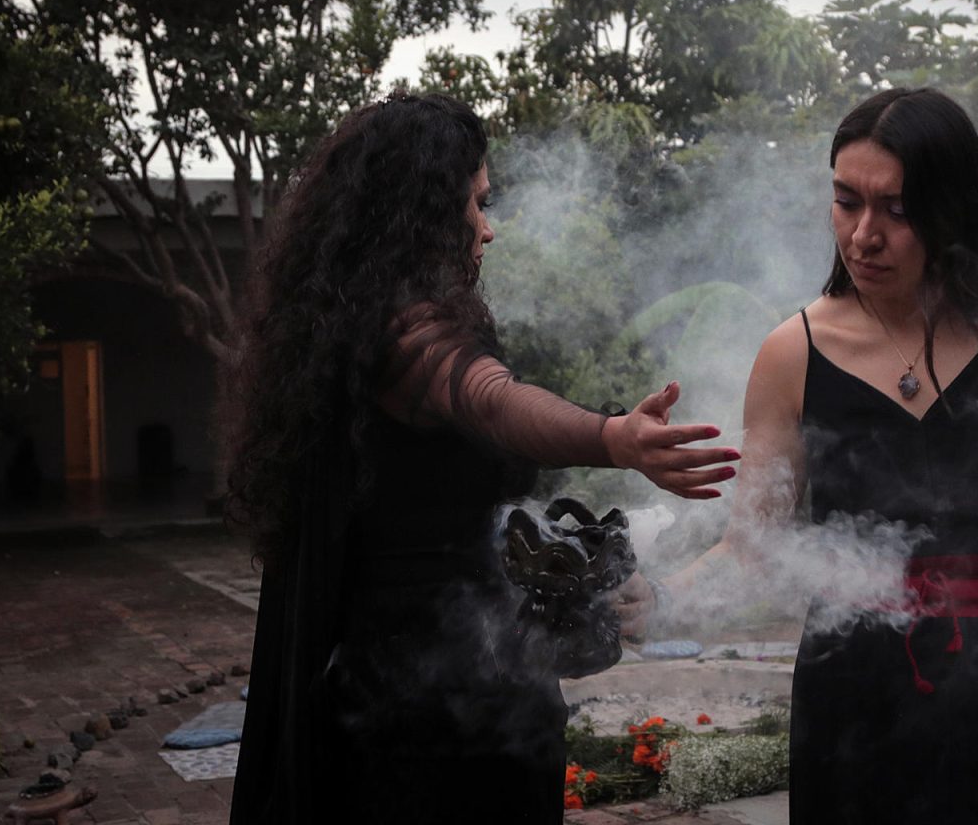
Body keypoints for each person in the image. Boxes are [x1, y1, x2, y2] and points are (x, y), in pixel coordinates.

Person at [223, 94, 738, 824]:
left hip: (422, 688)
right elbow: (492, 398)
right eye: (476, 203)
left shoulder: (350, 324)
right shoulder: (410, 336)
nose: (487, 230)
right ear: (427, 213)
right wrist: (611, 437)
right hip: (435, 720)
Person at [633, 86, 978, 822]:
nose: (864, 235)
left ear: (954, 207)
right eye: (846, 202)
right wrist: (659, 599)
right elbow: (755, 544)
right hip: (857, 693)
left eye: (897, 211)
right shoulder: (792, 352)